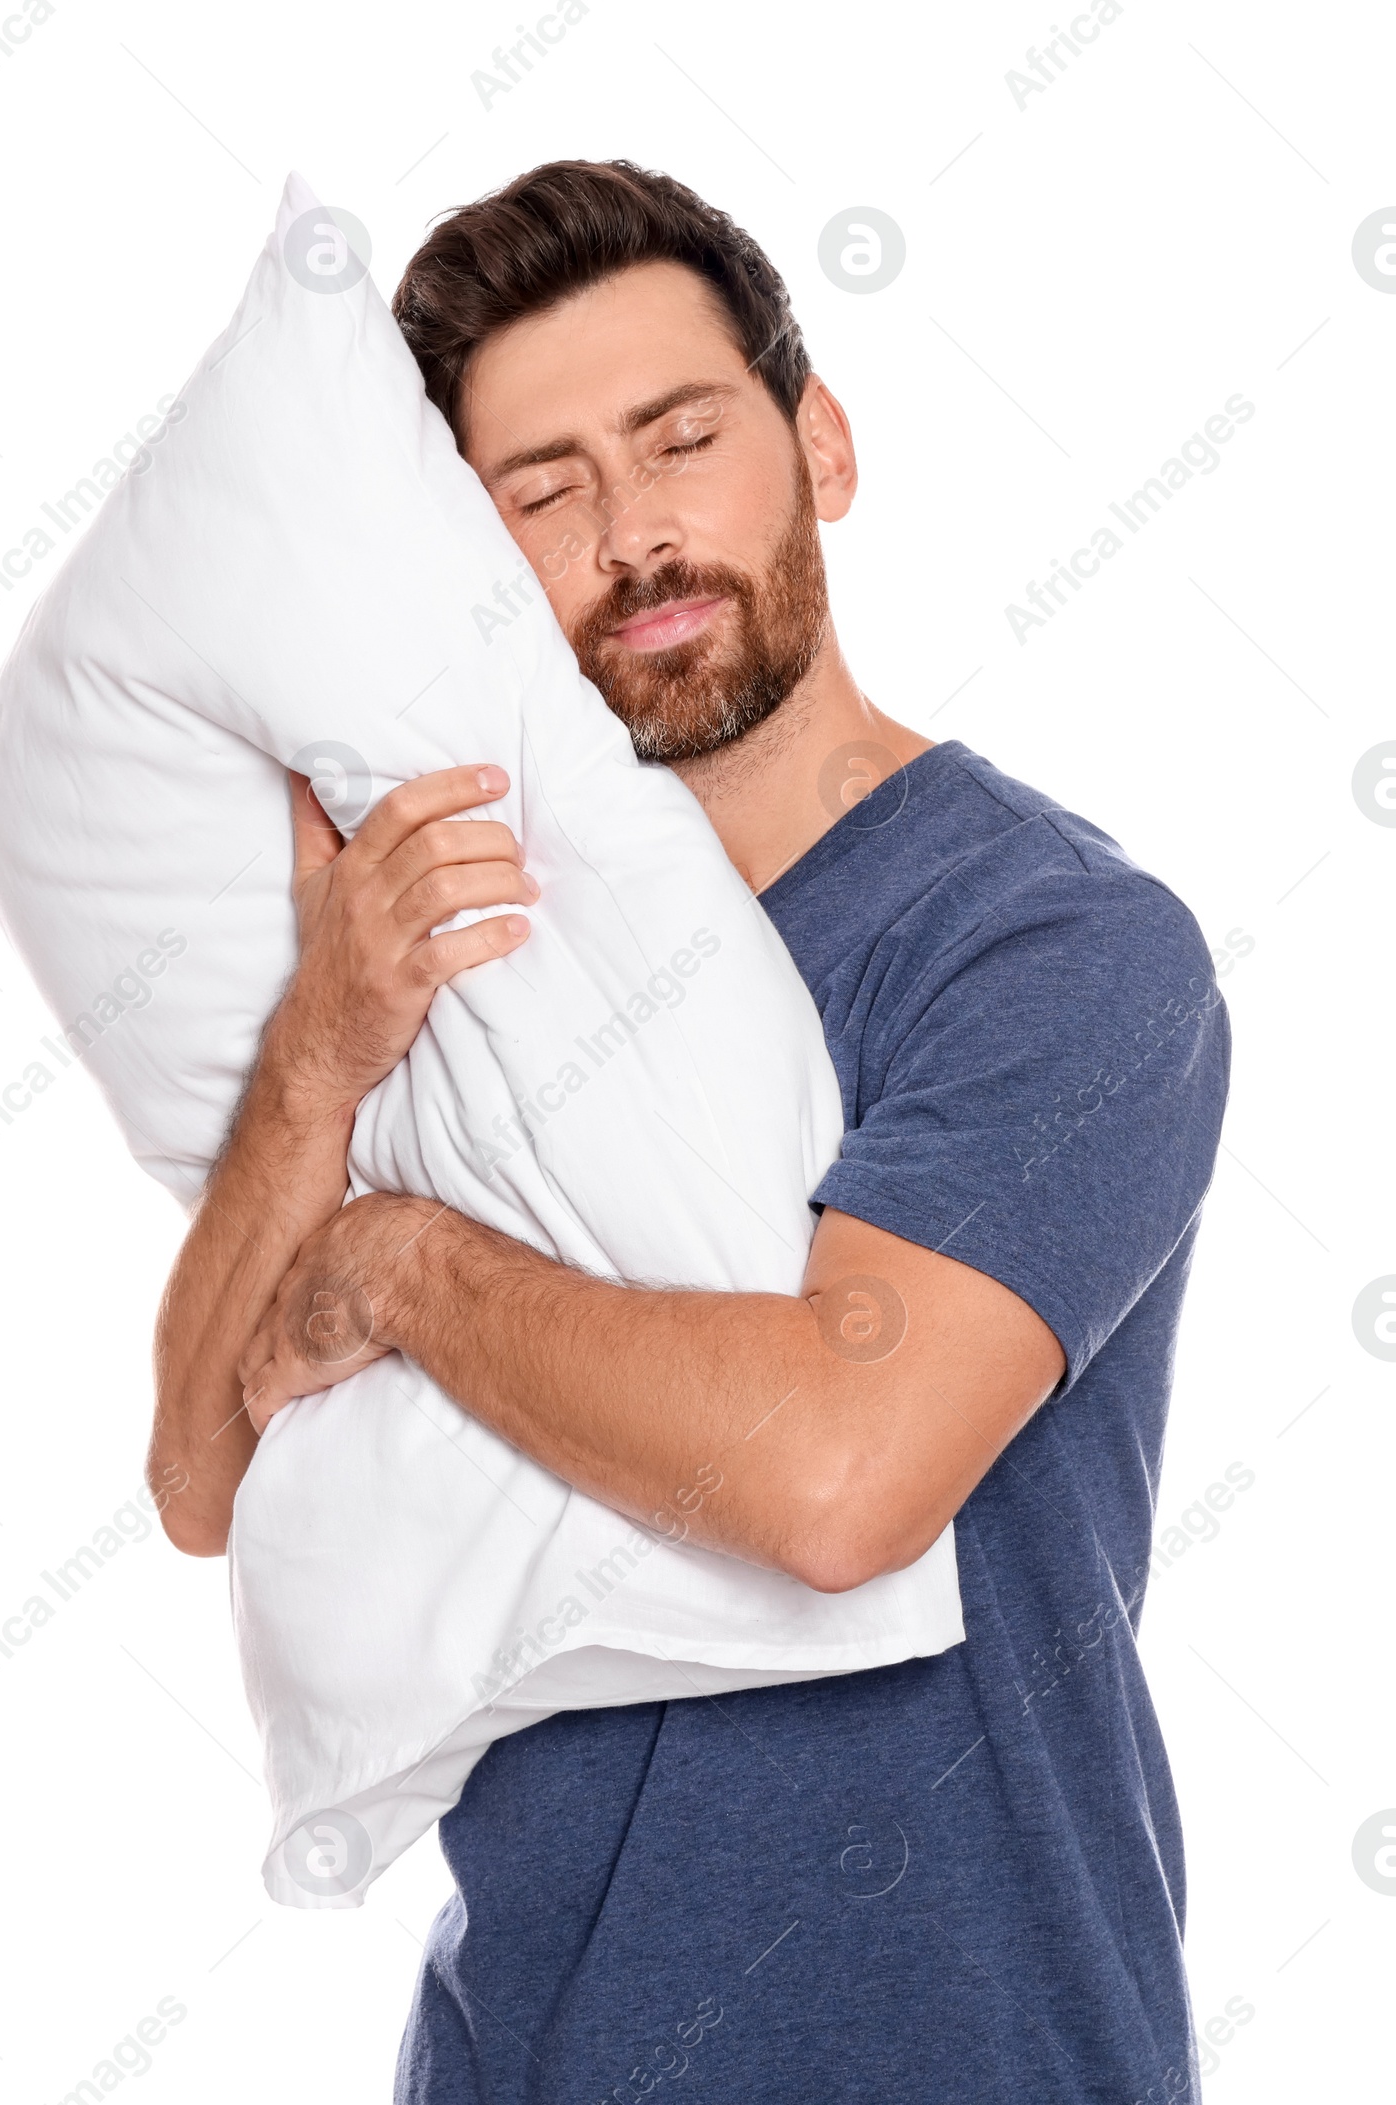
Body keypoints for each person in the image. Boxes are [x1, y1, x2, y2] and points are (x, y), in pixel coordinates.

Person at [148, 161, 1229, 2105]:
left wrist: (406, 1268)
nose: (632, 535)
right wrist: (315, 1062)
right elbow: (202, 1473)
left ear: (816, 444)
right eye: (540, 494)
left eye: (679, 440)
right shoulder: (442, 967)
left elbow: (833, 1477)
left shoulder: (1049, 947)